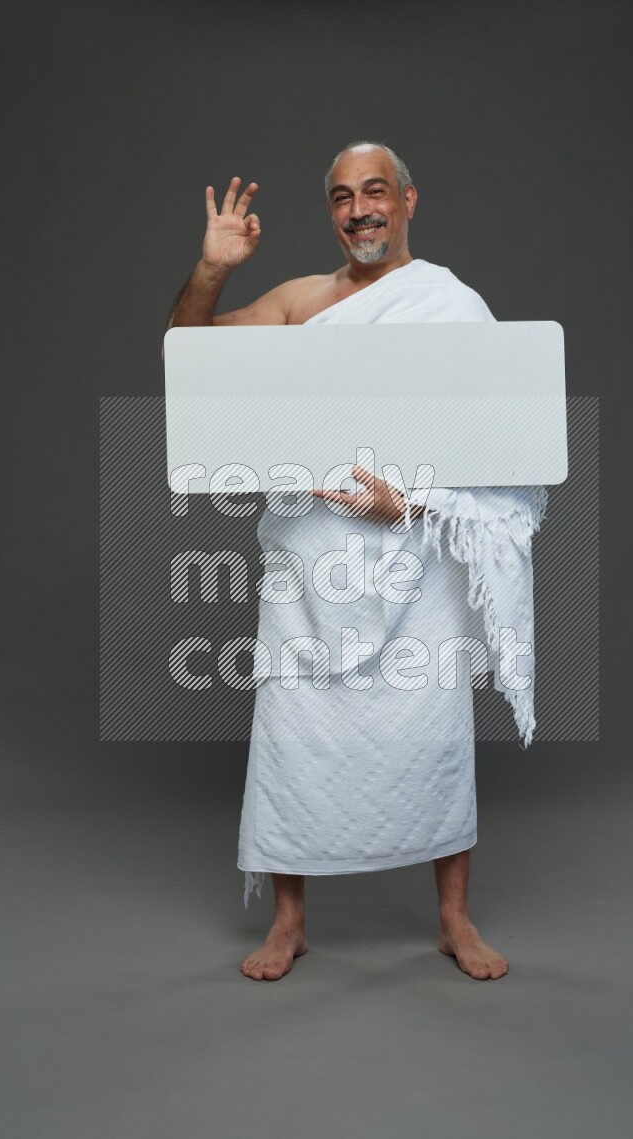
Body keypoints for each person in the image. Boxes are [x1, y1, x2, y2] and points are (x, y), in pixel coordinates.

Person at [166, 141, 547, 983]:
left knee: (434, 729)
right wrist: (211, 267)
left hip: (415, 559)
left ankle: (454, 919)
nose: (359, 209)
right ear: (331, 212)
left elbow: (502, 460)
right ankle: (290, 923)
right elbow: (188, 356)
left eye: (375, 191)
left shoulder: (452, 306)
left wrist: (404, 505)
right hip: (308, 562)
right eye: (342, 197)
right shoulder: (302, 300)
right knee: (294, 732)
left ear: (409, 200)